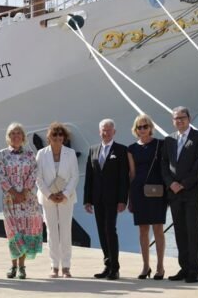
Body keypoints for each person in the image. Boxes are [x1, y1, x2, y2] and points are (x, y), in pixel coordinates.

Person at [160, 106, 198, 283]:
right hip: (174, 193)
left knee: (192, 230)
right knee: (179, 231)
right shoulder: (169, 140)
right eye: (176, 118)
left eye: (182, 117)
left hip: (191, 191)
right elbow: (164, 165)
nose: (179, 121)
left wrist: (184, 183)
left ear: (189, 118)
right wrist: (170, 183)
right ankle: (184, 267)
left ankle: (195, 270)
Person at [84, 118, 129, 280]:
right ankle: (107, 265)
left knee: (110, 230)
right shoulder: (93, 149)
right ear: (99, 132)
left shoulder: (121, 150)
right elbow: (89, 177)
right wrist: (87, 200)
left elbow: (124, 177)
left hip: (113, 198)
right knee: (101, 232)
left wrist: (123, 199)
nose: (106, 132)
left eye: (109, 130)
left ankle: (115, 268)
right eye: (103, 130)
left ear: (114, 132)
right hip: (97, 198)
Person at [0, 123, 43, 279]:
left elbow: (34, 173)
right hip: (10, 200)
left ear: (23, 137)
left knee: (25, 232)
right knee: (13, 233)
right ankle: (13, 265)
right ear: (8, 137)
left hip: (28, 199)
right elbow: (1, 175)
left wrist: (24, 192)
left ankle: (22, 267)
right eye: (12, 134)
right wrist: (14, 193)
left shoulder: (30, 155)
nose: (15, 136)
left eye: (18, 133)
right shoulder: (2, 154)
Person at [36, 122, 79, 278]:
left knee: (66, 231)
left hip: (66, 198)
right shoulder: (41, 153)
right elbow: (38, 177)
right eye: (55, 134)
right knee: (52, 232)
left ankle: (66, 266)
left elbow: (75, 176)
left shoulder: (70, 153)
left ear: (64, 137)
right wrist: (50, 194)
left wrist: (65, 193)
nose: (58, 137)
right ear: (49, 137)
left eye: (61, 134)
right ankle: (54, 266)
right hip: (48, 198)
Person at [127, 114, 167, 280]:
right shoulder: (131, 149)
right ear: (135, 130)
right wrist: (130, 198)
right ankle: (145, 266)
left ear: (150, 127)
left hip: (157, 191)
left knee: (158, 228)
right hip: (139, 191)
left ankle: (160, 266)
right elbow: (132, 174)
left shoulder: (160, 145)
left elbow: (165, 168)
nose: (142, 129)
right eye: (139, 127)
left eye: (145, 126)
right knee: (143, 230)